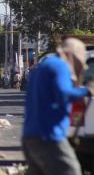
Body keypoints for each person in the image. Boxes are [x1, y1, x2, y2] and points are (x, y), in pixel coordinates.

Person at [23, 38, 94, 175]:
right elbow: (64, 93)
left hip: (31, 136)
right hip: (49, 138)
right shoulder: (60, 66)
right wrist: (87, 90)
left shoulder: (42, 67)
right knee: (70, 171)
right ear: (73, 56)